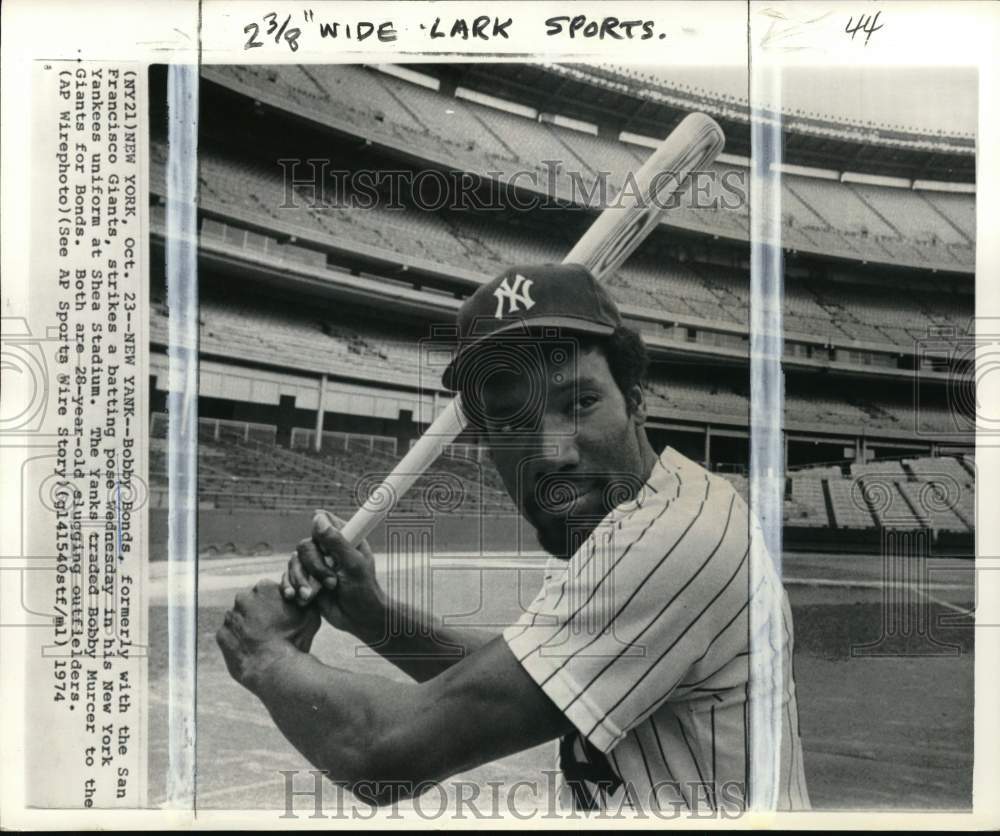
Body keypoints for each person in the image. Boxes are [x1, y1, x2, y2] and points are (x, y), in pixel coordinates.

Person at [216, 263, 810, 813]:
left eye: (579, 402)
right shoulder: (630, 516)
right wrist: (376, 619)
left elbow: (382, 753)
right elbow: (524, 672)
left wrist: (264, 655)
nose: (551, 452)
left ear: (635, 402)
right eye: (513, 420)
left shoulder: (674, 539)